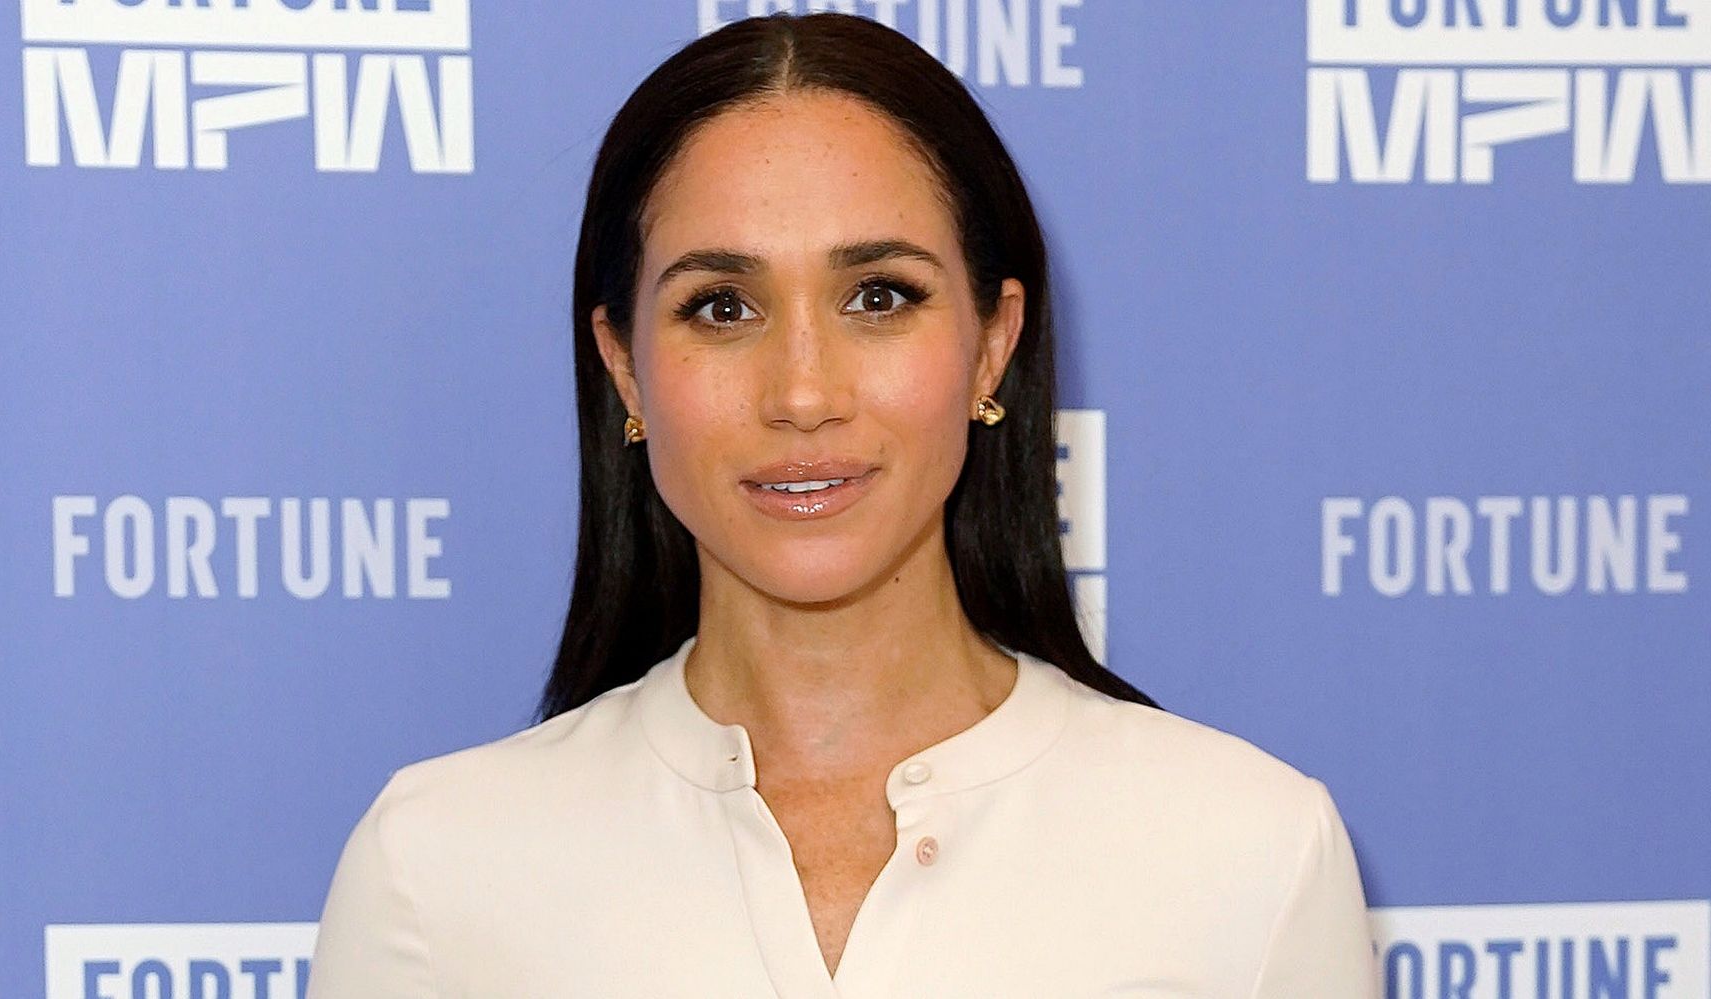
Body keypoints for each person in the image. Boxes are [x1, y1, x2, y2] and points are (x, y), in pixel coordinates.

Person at [305, 12, 1376, 997]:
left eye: (878, 296)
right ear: (624, 368)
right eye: (721, 307)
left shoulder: (1250, 853)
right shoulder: (436, 869)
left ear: (991, 345)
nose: (804, 393)